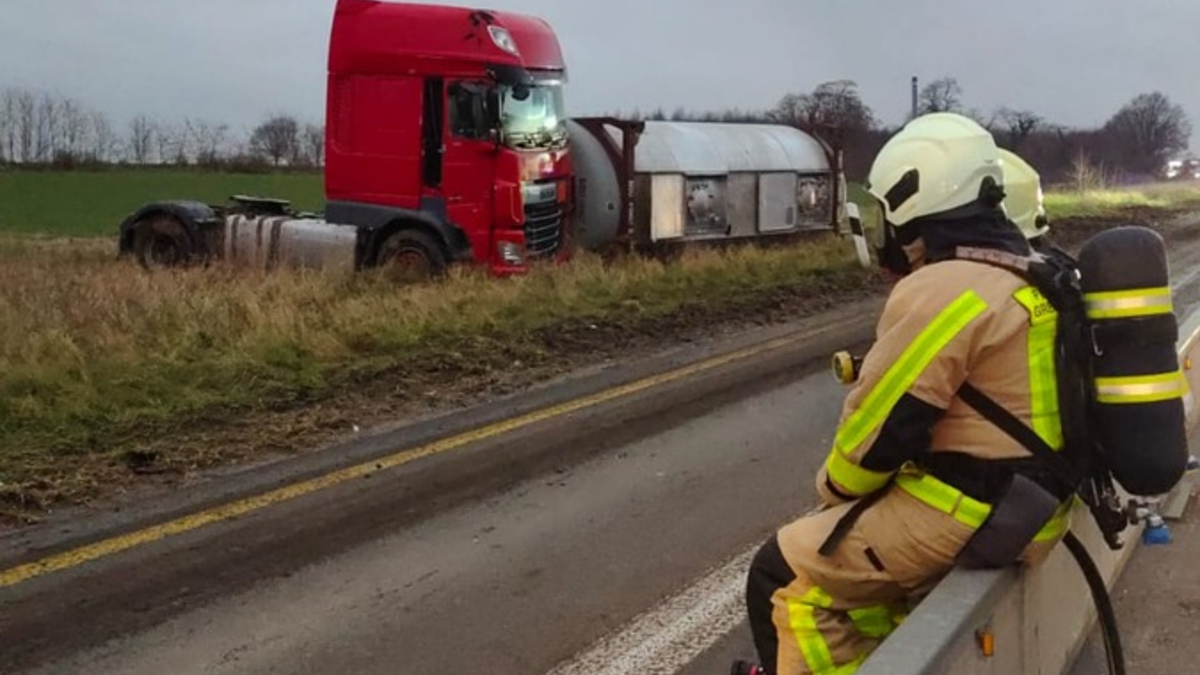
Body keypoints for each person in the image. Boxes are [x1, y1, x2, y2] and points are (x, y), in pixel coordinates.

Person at [736, 113, 1076, 675]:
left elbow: (878, 433)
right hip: (1034, 504)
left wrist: (837, 492)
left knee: (784, 574)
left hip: (973, 507)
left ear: (911, 204)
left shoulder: (946, 287)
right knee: (862, 588)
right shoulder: (1033, 271)